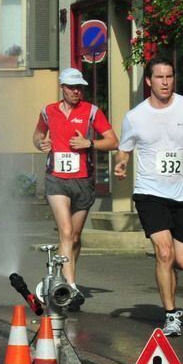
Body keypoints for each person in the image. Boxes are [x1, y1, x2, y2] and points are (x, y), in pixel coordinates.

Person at [114, 56, 183, 337]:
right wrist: (120, 164)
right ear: (148, 81)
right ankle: (171, 315)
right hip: (150, 193)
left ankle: (168, 281)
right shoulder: (135, 116)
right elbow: (124, 149)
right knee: (164, 251)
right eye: (160, 77)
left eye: (169, 76)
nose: (166, 82)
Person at [33, 68, 118, 307]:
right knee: (67, 233)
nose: (76, 92)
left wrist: (88, 142)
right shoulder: (48, 111)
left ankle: (62, 278)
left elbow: (113, 141)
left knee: (75, 238)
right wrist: (42, 142)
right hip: (56, 179)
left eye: (79, 87)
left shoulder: (91, 112)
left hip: (83, 181)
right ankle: (69, 288)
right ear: (62, 87)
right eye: (72, 87)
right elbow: (38, 134)